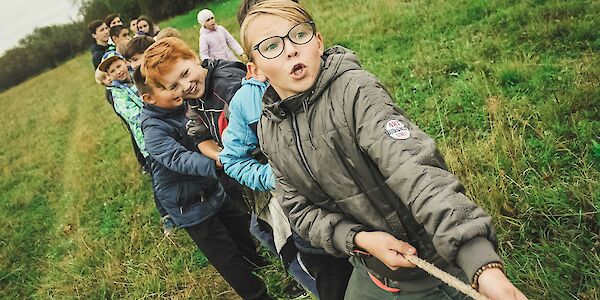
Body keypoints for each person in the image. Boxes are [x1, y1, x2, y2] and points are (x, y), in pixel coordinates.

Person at [240, 1, 528, 300]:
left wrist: (480, 263)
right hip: (370, 269)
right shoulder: (269, 129)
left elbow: (415, 170)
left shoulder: (356, 92)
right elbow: (299, 211)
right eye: (271, 46)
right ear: (255, 70)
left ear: (319, 41)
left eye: (299, 35)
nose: (290, 49)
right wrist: (359, 239)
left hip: (430, 266)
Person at [137, 56, 272, 300]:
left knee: (239, 227)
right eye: (168, 87)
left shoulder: (185, 105)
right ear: (149, 98)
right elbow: (178, 159)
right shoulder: (153, 130)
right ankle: (256, 294)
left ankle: (257, 262)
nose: (179, 88)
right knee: (224, 254)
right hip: (188, 203)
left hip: (211, 188)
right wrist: (218, 162)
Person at [98, 51, 176, 236]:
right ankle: (166, 216)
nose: (117, 71)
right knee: (160, 178)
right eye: (112, 70)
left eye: (118, 66)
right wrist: (157, 109)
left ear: (126, 63)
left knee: (175, 165)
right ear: (108, 76)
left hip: (166, 129)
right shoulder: (117, 94)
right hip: (148, 141)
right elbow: (133, 116)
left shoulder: (140, 79)